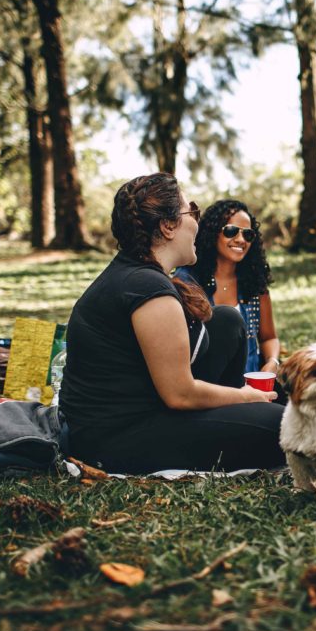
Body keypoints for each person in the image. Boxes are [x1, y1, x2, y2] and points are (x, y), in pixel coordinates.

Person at [59, 173, 284, 474]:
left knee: (227, 321)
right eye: (191, 211)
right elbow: (180, 394)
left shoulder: (139, 275)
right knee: (286, 427)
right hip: (117, 437)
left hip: (145, 408)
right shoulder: (146, 288)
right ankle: (245, 416)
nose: (197, 221)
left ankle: (240, 415)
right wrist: (245, 396)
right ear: (167, 226)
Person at [174, 199, 280, 376]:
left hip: (252, 385)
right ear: (212, 233)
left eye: (248, 234)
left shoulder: (253, 283)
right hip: (207, 387)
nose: (240, 240)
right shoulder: (187, 282)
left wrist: (272, 362)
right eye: (231, 231)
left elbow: (269, 337)